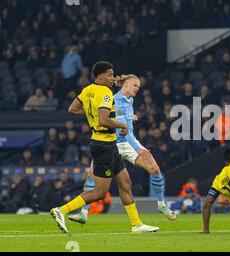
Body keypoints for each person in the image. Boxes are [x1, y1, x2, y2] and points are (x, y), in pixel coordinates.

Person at [50, 61, 158, 233]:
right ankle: (61, 210)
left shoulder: (87, 90)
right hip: (104, 145)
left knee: (125, 182)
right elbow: (103, 120)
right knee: (100, 192)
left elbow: (72, 109)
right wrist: (122, 125)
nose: (112, 78)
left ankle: (137, 224)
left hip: (107, 144)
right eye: (109, 74)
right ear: (99, 76)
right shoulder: (106, 93)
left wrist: (91, 111)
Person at [69, 74, 175, 225]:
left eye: (138, 86)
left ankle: (161, 205)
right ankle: (83, 213)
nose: (137, 89)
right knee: (92, 175)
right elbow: (121, 129)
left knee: (155, 170)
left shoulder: (129, 100)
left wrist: (130, 117)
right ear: (125, 85)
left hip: (128, 143)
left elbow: (121, 119)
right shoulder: (114, 100)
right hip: (113, 144)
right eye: (135, 85)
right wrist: (138, 148)